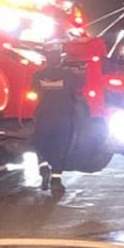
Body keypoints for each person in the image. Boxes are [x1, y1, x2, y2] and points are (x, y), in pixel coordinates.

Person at [30, 55, 84, 192]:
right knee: (60, 149)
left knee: (39, 144)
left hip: (43, 116)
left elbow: (33, 90)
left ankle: (43, 168)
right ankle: (56, 181)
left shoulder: (37, 75)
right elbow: (80, 87)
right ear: (60, 61)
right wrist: (79, 72)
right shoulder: (68, 75)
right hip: (63, 117)